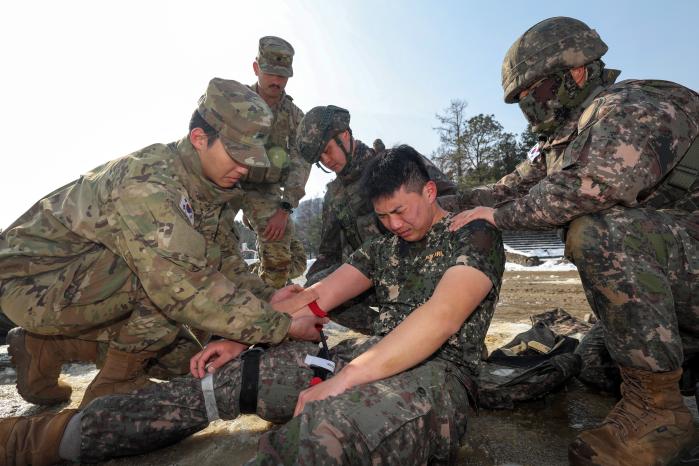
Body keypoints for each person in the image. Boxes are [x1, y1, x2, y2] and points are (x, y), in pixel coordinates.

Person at [0, 145, 504, 466]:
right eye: (383, 216)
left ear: (431, 191)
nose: (393, 224)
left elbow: (438, 320)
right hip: (368, 359)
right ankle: (44, 440)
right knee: (224, 381)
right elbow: (315, 298)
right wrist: (239, 339)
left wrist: (343, 381)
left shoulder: (472, 234)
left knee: (327, 434)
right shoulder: (385, 245)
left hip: (437, 376)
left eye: (400, 210)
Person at [448, 16, 699, 465]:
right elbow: (509, 187)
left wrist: (498, 217)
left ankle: (659, 415)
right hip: (685, 281)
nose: (531, 109)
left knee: (601, 230)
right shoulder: (567, 135)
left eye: (536, 93)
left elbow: (596, 184)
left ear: (576, 74)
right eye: (522, 101)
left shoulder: (634, 107)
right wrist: (435, 202)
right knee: (599, 366)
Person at [0, 78, 324, 409]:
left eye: (252, 158)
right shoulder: (150, 183)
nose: (244, 168)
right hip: (32, 284)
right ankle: (114, 384)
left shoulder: (209, 187)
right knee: (168, 291)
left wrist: (267, 296)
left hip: (85, 282)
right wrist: (281, 326)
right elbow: (182, 287)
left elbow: (223, 260)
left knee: (189, 359)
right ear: (199, 139)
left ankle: (46, 349)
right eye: (237, 155)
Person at [297, 105, 457, 332]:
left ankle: (432, 332)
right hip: (371, 279)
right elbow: (328, 253)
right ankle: (386, 331)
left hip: (424, 267)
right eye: (319, 159)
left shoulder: (394, 163)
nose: (326, 161)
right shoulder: (335, 195)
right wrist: (309, 290)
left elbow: (451, 200)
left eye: (328, 150)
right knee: (314, 289)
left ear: (344, 136)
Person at [232, 36, 310, 289]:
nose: (277, 81)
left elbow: (301, 163)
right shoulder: (235, 103)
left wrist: (285, 208)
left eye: (283, 76)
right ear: (256, 68)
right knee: (207, 249)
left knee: (284, 261)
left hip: (267, 192)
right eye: (270, 73)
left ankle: (264, 303)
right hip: (226, 185)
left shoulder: (295, 116)